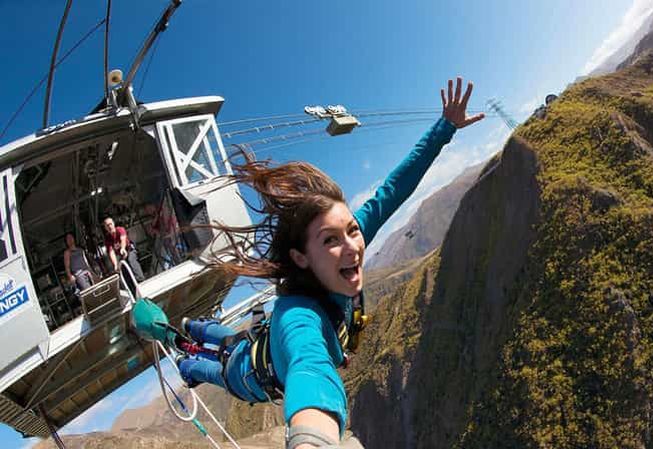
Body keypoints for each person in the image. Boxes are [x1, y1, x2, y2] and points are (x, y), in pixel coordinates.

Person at [177, 77, 484, 449]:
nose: (352, 246)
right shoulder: (298, 316)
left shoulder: (345, 244)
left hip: (258, 343)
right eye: (330, 240)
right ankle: (187, 363)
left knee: (230, 339)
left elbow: (393, 190)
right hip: (248, 376)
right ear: (300, 257)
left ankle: (195, 327)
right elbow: (309, 366)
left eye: (352, 230)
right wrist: (312, 439)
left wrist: (445, 127)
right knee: (215, 368)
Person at [103, 216, 145, 286]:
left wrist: (123, 248)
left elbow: (123, 239)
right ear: (105, 228)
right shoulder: (107, 239)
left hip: (129, 250)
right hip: (121, 256)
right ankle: (132, 287)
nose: (110, 226)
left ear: (113, 223)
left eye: (110, 224)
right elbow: (111, 252)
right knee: (123, 270)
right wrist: (115, 264)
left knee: (131, 261)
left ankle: (141, 281)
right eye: (107, 225)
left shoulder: (120, 229)